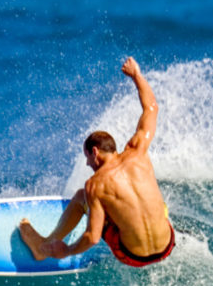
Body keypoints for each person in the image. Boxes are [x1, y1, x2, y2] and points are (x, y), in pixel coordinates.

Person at [19, 57, 175, 268]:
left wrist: (68, 250)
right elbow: (152, 108)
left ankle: (42, 247)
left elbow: (92, 237)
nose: (87, 165)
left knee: (82, 197)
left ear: (95, 152)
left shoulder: (95, 185)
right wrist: (137, 75)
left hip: (133, 256)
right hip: (167, 245)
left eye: (87, 159)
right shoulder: (138, 151)